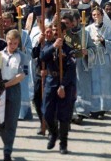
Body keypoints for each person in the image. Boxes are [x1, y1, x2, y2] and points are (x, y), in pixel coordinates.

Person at [39, 22, 76, 155]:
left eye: (58, 29)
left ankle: (63, 144)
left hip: (64, 84)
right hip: (50, 82)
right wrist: (54, 46)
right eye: (54, 29)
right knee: (47, 113)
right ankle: (54, 133)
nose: (55, 31)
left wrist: (63, 85)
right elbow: (42, 57)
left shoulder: (68, 48)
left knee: (63, 116)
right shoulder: (48, 45)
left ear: (64, 32)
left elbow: (71, 70)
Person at [0, 29, 27, 161]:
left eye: (15, 43)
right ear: (6, 40)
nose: (13, 45)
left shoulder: (21, 56)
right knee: (0, 120)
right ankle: (6, 142)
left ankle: (7, 150)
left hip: (13, 88)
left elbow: (21, 75)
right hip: (0, 88)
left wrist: (7, 85)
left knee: (11, 121)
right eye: (10, 42)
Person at [87, 7, 111, 117]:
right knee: (93, 83)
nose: (96, 17)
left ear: (102, 15)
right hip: (93, 60)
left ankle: (102, 109)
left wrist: (104, 41)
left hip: (104, 60)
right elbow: (85, 43)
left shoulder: (108, 30)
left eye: (98, 14)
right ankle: (93, 109)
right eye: (94, 15)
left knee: (104, 84)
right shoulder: (88, 29)